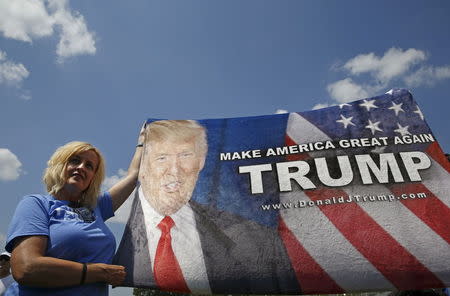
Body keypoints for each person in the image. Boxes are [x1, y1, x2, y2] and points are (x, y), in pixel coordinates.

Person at [114, 120, 300, 295]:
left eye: (185, 155)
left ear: (201, 161)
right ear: (146, 165)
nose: (174, 169)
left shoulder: (258, 239)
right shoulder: (126, 234)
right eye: (161, 158)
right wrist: (141, 143)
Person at [5, 125, 145, 296]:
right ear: (60, 165)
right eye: (74, 160)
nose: (81, 167)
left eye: (89, 166)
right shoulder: (37, 204)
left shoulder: (96, 207)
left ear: (93, 177)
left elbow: (133, 175)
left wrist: (143, 143)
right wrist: (97, 273)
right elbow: (26, 268)